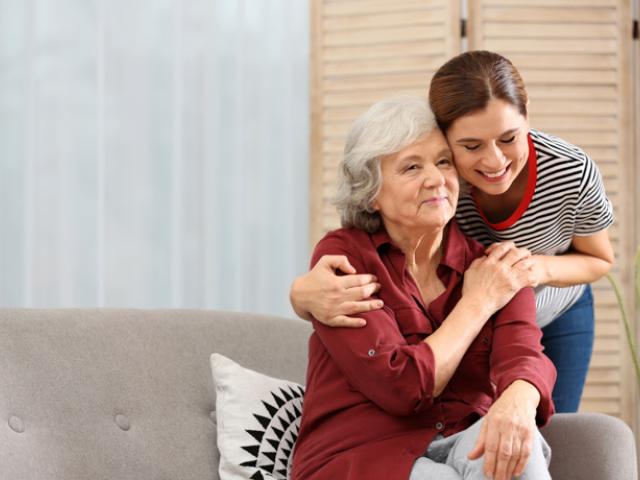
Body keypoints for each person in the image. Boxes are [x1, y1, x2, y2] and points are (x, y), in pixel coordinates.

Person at [290, 50, 614, 413]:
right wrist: (300, 294)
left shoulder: (569, 171)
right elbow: (375, 223)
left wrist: (534, 270)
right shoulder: (442, 180)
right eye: (471, 146)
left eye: (509, 138)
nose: (494, 162)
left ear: (527, 117)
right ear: (444, 137)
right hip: (480, 303)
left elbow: (599, 259)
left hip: (554, 303)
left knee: (552, 421)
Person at [291, 96, 556, 480]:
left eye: (443, 162)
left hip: (464, 434)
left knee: (516, 446)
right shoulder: (344, 258)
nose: (436, 179)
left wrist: (518, 400)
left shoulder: (494, 264)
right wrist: (478, 302)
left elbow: (524, 354)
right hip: (362, 452)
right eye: (412, 167)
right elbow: (401, 387)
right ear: (371, 193)